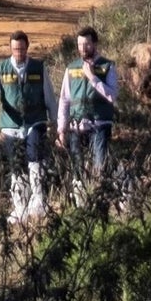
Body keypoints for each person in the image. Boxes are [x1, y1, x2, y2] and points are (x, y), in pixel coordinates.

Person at [0, 30, 57, 223]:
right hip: (10, 126)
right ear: (10, 48)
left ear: (27, 48)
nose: (18, 53)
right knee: (15, 166)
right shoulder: (1, 68)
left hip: (35, 122)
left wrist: (55, 122)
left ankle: (38, 202)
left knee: (35, 160)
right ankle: (20, 207)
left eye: (22, 49)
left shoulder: (39, 68)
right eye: (15, 49)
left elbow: (49, 96)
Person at [57, 26, 119, 199]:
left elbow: (112, 95)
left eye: (86, 44)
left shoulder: (107, 66)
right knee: (77, 168)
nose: (83, 48)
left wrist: (92, 77)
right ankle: (80, 203)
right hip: (76, 126)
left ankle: (101, 200)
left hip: (100, 125)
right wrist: (61, 129)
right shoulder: (71, 68)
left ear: (95, 44)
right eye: (79, 45)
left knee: (100, 166)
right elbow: (64, 100)